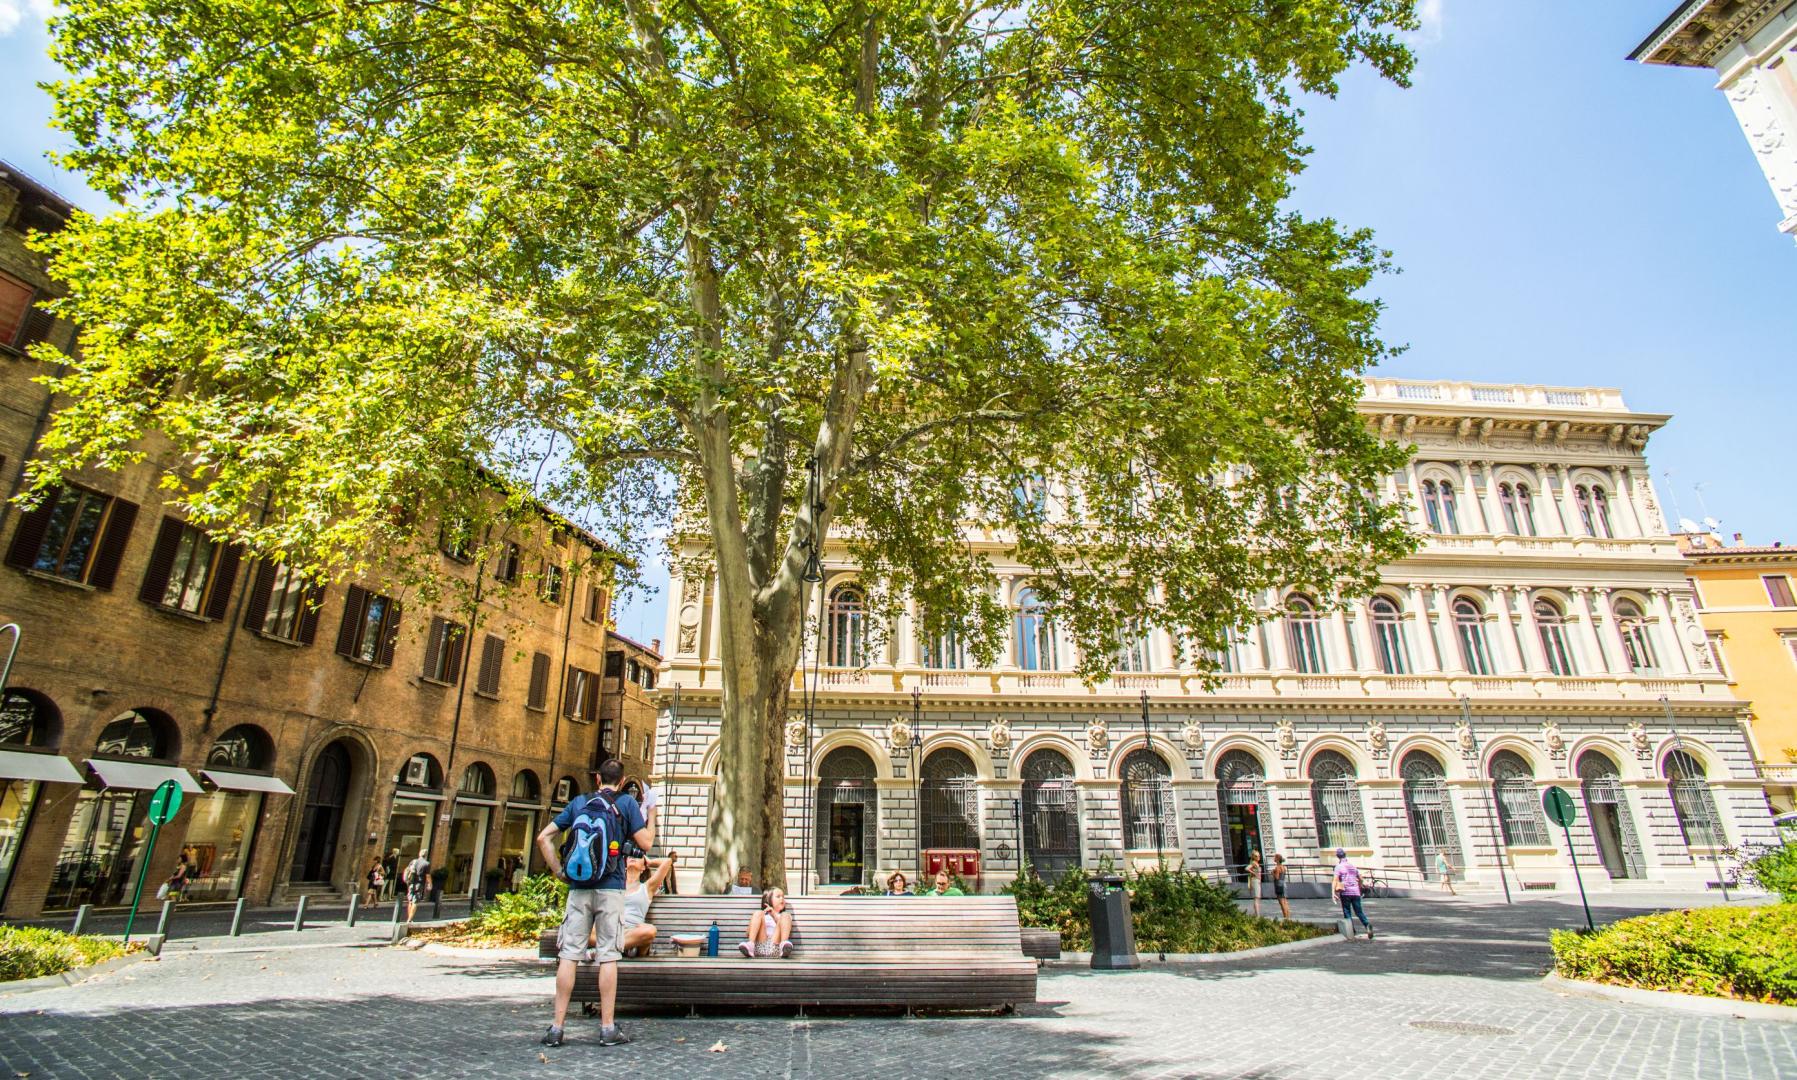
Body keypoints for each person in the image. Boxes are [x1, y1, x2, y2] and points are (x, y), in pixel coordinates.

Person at [537, 758, 651, 1049]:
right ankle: (607, 1028)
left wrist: (560, 872)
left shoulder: (579, 803)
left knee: (569, 955)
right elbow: (646, 844)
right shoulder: (626, 804)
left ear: (598, 778)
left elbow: (544, 838)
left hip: (578, 888)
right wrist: (651, 811)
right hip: (611, 888)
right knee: (609, 956)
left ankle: (556, 1028)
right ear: (623, 781)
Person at [619, 851, 677, 958]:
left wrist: (650, 862)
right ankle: (616, 947)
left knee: (650, 930)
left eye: (638, 857)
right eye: (630, 856)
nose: (633, 857)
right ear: (625, 864)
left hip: (634, 934)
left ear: (643, 867)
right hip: (613, 930)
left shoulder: (646, 887)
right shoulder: (614, 885)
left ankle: (609, 948)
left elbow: (668, 861)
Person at [738, 887, 794, 958]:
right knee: (758, 913)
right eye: (778, 896)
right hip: (760, 946)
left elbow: (787, 931)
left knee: (785, 915)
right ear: (768, 900)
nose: (781, 899)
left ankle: (784, 946)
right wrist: (757, 919)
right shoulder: (762, 915)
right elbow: (748, 933)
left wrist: (774, 915)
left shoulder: (785, 916)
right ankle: (750, 946)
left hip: (777, 947)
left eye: (783, 897)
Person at [1331, 847, 1373, 940]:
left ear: (1338, 857)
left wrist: (1333, 893)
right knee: (1359, 911)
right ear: (1345, 855)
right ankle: (1367, 925)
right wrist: (1360, 886)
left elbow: (1335, 880)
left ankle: (1351, 930)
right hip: (1355, 892)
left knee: (1347, 912)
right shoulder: (1352, 866)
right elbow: (1360, 878)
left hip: (1345, 892)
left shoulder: (1338, 867)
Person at [402, 849, 432, 922]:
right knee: (415, 902)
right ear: (426, 855)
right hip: (419, 883)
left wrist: (406, 879)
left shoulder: (413, 861)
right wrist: (430, 884)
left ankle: (409, 918)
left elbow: (407, 870)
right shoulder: (426, 864)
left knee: (410, 901)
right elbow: (427, 876)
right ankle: (410, 919)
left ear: (419, 854)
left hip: (411, 883)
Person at [1271, 853, 1291, 920]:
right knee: (1285, 901)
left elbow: (1276, 877)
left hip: (1279, 885)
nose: (1273, 858)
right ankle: (1288, 916)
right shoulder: (1283, 867)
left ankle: (1285, 917)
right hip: (1283, 884)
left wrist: (1272, 873)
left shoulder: (1277, 867)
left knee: (1281, 902)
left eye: (1274, 857)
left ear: (1277, 859)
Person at [1245, 850, 1263, 918]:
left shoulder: (1256, 863)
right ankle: (1257, 915)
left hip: (1257, 881)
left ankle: (1257, 914)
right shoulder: (1253, 863)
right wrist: (1254, 873)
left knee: (1257, 898)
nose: (1258, 857)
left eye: (1259, 856)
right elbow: (1246, 868)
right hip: (1255, 881)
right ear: (1253, 857)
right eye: (1256, 856)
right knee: (1256, 898)